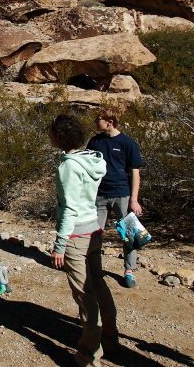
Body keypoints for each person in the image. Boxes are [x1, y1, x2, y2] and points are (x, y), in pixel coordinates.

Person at [49, 114, 118, 367]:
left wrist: (60, 245)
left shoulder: (68, 166)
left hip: (77, 234)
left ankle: (89, 356)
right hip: (94, 230)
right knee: (99, 284)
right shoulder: (92, 159)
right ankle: (110, 340)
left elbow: (68, 208)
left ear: (59, 137)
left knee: (84, 294)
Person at [87, 108, 144, 288]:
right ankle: (94, 269)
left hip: (122, 194)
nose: (96, 121)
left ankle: (129, 271)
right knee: (95, 233)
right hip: (99, 195)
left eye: (99, 119)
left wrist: (134, 200)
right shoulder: (95, 141)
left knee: (129, 234)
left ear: (109, 122)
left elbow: (135, 173)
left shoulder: (128, 143)